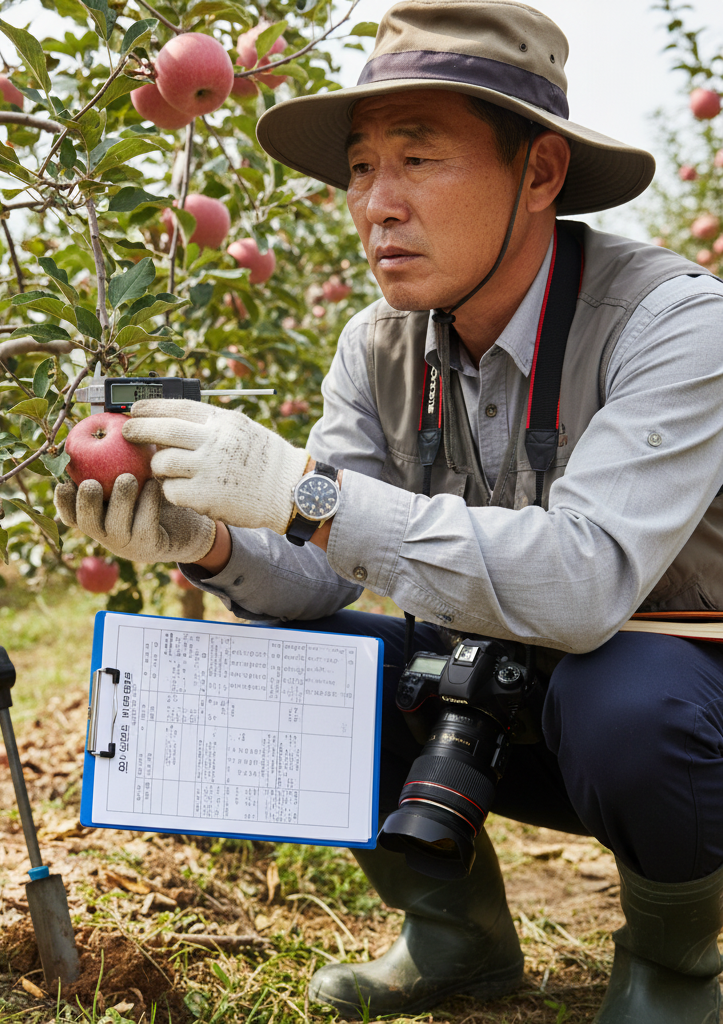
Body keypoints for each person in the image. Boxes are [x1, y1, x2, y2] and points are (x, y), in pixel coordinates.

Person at [56, 1, 723, 1019]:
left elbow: (585, 582)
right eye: (361, 167)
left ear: (540, 174)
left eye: (418, 158)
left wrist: (304, 493)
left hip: (675, 722)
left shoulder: (673, 322)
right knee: (305, 669)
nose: (376, 202)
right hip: (500, 695)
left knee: (626, 701)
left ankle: (672, 971)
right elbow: (320, 574)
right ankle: (453, 937)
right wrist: (210, 538)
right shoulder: (378, 346)